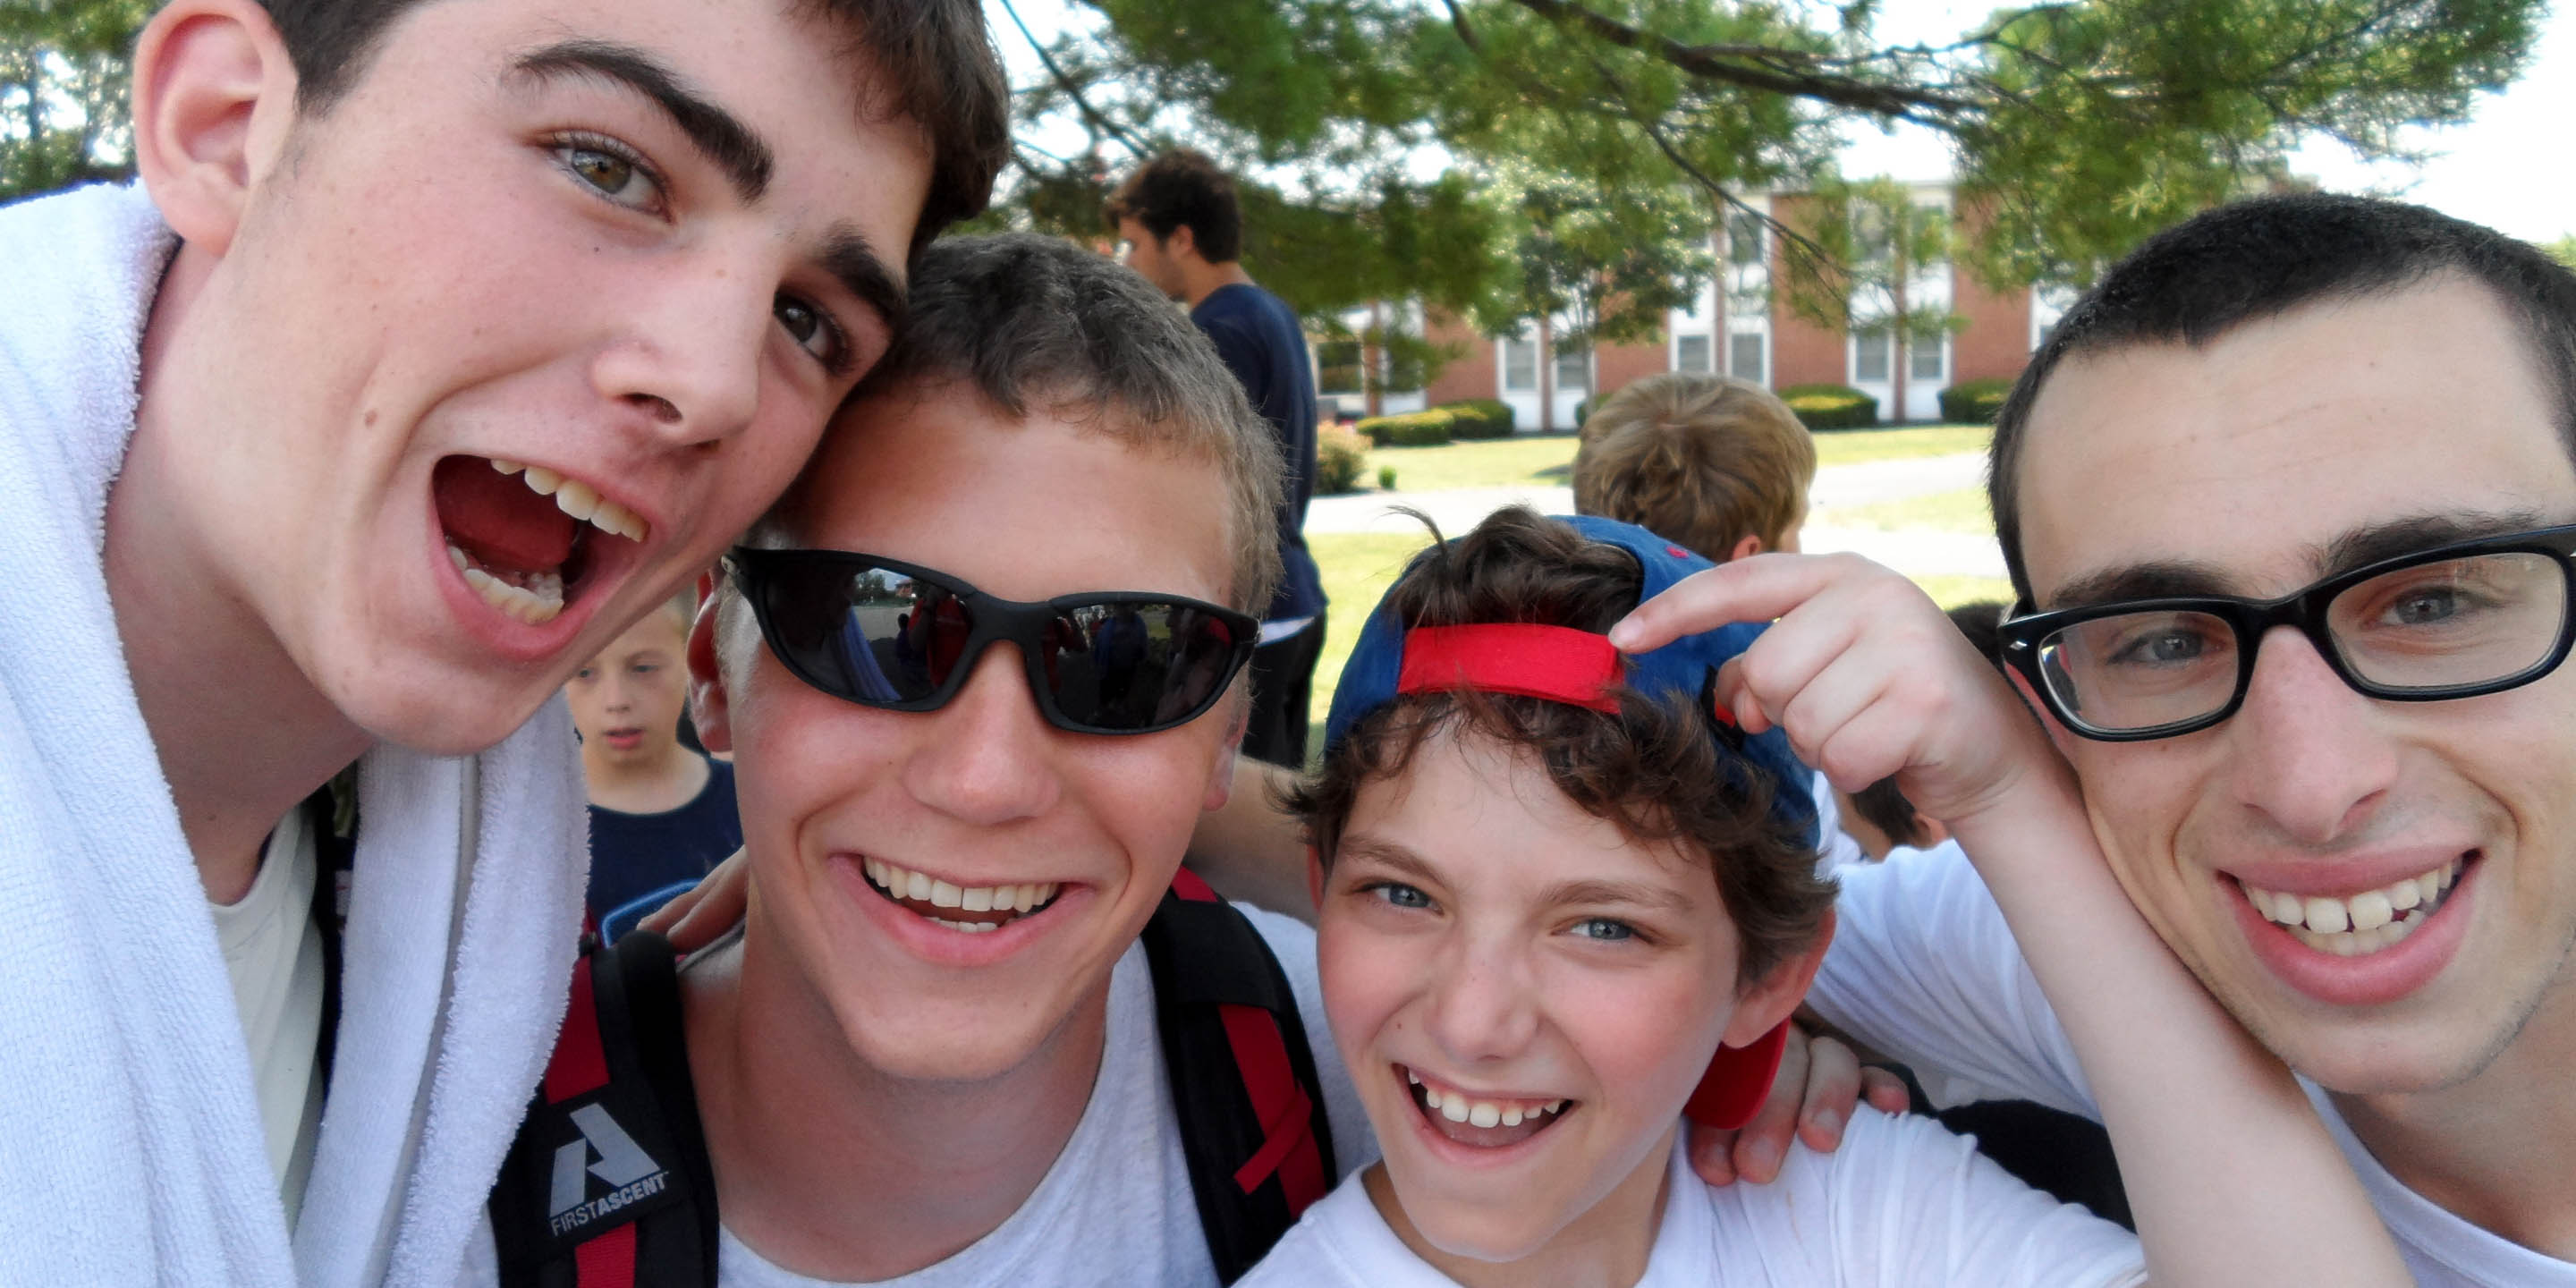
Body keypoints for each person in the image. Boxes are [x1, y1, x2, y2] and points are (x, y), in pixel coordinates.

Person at [0, 0, 1005, 1280]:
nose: (716, 381)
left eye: (808, 321)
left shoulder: (444, 916)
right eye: (609, 168)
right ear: (228, 126)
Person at [1614, 191, 2576, 1284]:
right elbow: (1710, 961)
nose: (2311, 788)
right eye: (2162, 642)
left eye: (2433, 606)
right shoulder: (2105, 922)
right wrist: (1741, 1053)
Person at [475, 232, 1365, 1287]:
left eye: (1130, 662)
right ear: (716, 668)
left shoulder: (1377, 1073)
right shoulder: (450, 1195)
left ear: (1223, 732)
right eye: (879, 628)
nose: (983, 782)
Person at [1238, 507, 2406, 1287]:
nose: (1471, 1021)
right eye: (1404, 895)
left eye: (1604, 926)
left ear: (1770, 979)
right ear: (1318, 892)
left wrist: (2007, 797)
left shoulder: (1855, 1215)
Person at [1111, 149, 1328, 768]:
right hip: (1298, 600)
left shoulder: (1217, 330)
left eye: (1133, 245)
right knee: (1281, 811)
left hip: (1255, 613)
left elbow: (1192, 484)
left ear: (1180, 239)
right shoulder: (1271, 311)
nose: (1128, 263)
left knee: (1232, 819)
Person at [566, 591, 743, 940]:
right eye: (584, 672)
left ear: (694, 661)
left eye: (643, 668)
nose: (616, 701)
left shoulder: (754, 802)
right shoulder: (536, 831)